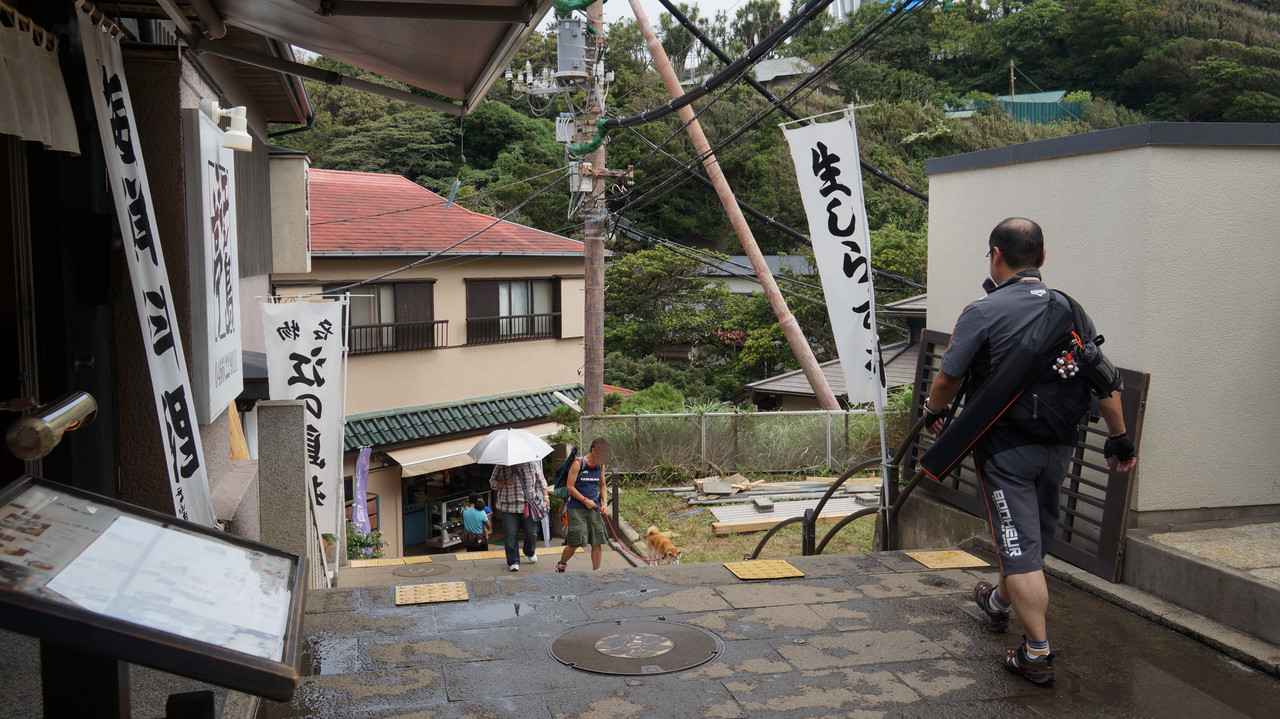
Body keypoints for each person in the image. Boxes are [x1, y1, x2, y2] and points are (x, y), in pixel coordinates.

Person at [923, 217, 1138, 687]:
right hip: (1059, 446)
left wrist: (932, 411)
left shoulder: (982, 310)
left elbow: (947, 379)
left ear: (996, 256)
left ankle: (1035, 654)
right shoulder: (1071, 309)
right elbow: (1103, 380)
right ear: (1042, 258)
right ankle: (998, 603)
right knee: (1026, 537)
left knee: (1019, 548)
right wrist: (1119, 437)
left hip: (1006, 451)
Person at [556, 438, 610, 572]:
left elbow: (603, 486)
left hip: (594, 508)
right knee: (575, 543)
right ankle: (562, 564)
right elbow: (569, 487)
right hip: (576, 509)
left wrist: (604, 504)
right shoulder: (578, 463)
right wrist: (584, 500)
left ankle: (597, 571)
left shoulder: (600, 466)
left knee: (597, 542)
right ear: (593, 450)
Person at [489, 461, 548, 571]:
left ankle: (529, 551)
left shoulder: (531, 463)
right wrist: (506, 482)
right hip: (509, 506)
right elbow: (492, 483)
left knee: (532, 532)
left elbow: (541, 480)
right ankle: (513, 561)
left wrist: (546, 497)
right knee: (511, 534)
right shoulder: (501, 465)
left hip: (529, 505)